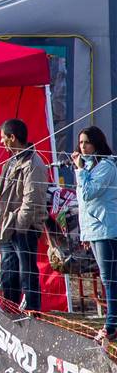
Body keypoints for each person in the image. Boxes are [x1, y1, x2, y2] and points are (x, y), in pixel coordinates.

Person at [0, 118, 49, 313]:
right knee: (8, 274)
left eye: (3, 137)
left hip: (24, 228)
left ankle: (33, 313)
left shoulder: (33, 164)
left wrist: (20, 226)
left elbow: (32, 199)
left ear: (12, 137)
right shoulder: (11, 162)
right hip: (8, 227)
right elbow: (0, 195)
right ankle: (10, 313)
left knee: (27, 273)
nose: (1, 142)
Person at [72, 127, 116, 343]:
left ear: (97, 143)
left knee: (110, 278)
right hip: (95, 230)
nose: (83, 147)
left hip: (107, 228)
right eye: (81, 142)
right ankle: (112, 321)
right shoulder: (89, 166)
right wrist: (86, 234)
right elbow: (84, 204)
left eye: (87, 142)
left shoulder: (106, 166)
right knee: (107, 277)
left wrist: (80, 170)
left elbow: (89, 193)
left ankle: (111, 324)